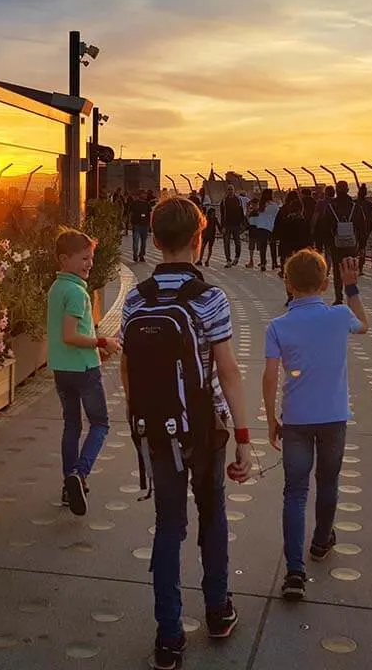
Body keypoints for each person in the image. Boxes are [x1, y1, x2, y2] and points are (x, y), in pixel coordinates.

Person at [120, 196, 252, 670]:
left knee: (168, 525)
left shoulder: (136, 299)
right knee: (212, 514)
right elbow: (229, 371)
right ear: (200, 238)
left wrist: (140, 421)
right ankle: (218, 611)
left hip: (158, 429)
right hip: (205, 428)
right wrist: (243, 435)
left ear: (154, 240)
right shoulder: (211, 298)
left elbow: (128, 367)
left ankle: (169, 637)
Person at [263, 249, 368, 601]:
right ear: (325, 284)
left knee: (294, 491)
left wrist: (270, 419)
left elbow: (269, 375)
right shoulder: (339, 315)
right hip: (334, 417)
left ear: (287, 284)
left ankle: (294, 572)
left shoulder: (278, 326)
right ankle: (322, 540)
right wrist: (351, 289)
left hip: (295, 419)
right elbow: (364, 325)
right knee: (328, 480)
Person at [47, 228, 121, 515]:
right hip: (83, 368)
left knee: (72, 425)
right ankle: (80, 473)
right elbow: (70, 335)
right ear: (64, 259)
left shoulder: (56, 289)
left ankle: (69, 486)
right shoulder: (77, 292)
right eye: (83, 258)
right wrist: (104, 342)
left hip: (61, 369)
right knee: (100, 424)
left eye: (90, 257)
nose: (89, 263)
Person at [315, 181, 368, 305]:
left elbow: (324, 225)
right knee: (350, 269)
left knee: (337, 271)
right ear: (348, 190)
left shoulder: (331, 207)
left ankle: (338, 297)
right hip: (351, 243)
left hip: (336, 243)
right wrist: (362, 244)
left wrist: (327, 242)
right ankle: (352, 295)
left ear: (336, 191)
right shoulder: (355, 207)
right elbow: (362, 226)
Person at [254, 189, 280, 272]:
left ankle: (263, 263)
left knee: (263, 247)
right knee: (273, 246)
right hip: (271, 227)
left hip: (261, 226)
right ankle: (274, 263)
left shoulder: (261, 205)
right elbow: (277, 215)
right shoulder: (274, 205)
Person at [354, 184, 372, 276]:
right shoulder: (370, 205)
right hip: (365, 230)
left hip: (353, 230)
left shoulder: (354, 203)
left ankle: (352, 266)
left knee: (352, 249)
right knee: (362, 249)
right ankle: (360, 269)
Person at [220, 186, 245, 267]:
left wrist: (242, 223)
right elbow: (222, 215)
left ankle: (236, 258)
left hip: (236, 225)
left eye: (231, 189)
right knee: (226, 243)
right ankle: (228, 260)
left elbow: (241, 212)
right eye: (229, 189)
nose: (230, 191)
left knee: (237, 242)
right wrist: (222, 226)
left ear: (234, 191)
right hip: (227, 225)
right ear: (227, 191)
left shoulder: (238, 200)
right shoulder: (224, 201)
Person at [129, 190, 153, 262]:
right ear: (140, 195)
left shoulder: (147, 204)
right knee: (136, 241)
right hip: (136, 224)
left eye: (145, 194)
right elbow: (131, 213)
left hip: (145, 225)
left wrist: (150, 224)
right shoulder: (134, 203)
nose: (145, 196)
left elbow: (150, 214)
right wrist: (130, 222)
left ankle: (141, 255)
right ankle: (135, 255)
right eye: (143, 194)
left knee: (143, 242)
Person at [199, 193, 220, 267]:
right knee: (203, 247)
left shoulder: (214, 219)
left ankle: (207, 260)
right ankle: (200, 260)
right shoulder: (206, 218)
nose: (213, 215)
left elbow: (218, 226)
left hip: (211, 235)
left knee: (209, 248)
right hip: (206, 235)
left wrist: (221, 231)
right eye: (213, 213)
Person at [244, 195, 261, 269]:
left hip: (257, 231)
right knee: (251, 247)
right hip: (252, 231)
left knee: (259, 247)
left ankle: (262, 260)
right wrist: (247, 209)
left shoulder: (259, 212)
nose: (254, 206)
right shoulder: (252, 212)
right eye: (253, 205)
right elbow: (247, 219)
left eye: (255, 204)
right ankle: (251, 260)